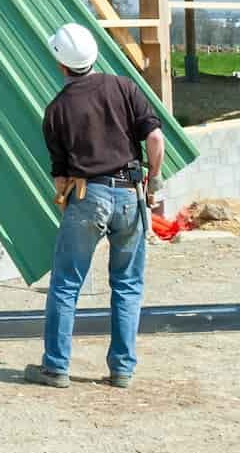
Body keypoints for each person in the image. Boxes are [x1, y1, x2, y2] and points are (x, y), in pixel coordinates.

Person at [24, 22, 165, 391]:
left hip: (87, 197)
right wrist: (155, 180)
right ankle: (122, 370)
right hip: (130, 194)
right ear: (94, 55)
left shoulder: (56, 111)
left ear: (60, 64)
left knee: (66, 285)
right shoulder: (124, 87)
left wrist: (68, 207)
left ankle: (56, 368)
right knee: (128, 284)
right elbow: (154, 136)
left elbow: (59, 178)